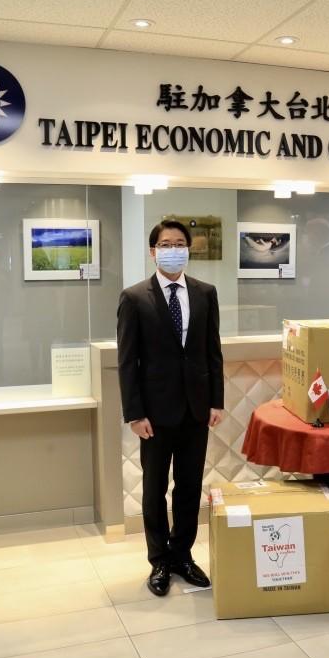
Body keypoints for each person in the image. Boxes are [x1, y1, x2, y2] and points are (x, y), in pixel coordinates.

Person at [117, 220, 225, 596]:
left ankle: (182, 555)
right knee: (154, 487)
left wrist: (216, 400)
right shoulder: (134, 298)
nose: (173, 248)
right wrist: (134, 413)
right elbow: (128, 360)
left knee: (189, 487)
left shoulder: (205, 293)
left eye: (180, 243)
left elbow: (213, 352)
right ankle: (158, 561)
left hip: (197, 409)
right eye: (166, 243)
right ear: (153, 251)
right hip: (155, 413)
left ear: (188, 249)